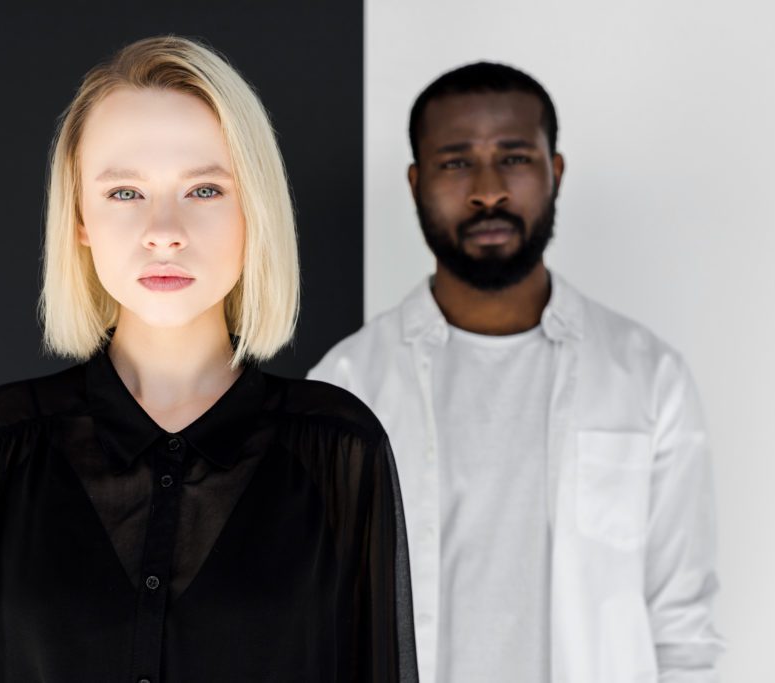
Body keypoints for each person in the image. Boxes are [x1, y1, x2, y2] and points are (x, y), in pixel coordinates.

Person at [0, 36, 417, 683]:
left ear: (253, 210)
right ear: (79, 217)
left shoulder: (339, 450)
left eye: (205, 190)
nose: (164, 229)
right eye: (125, 192)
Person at [309, 62, 723, 682]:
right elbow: (315, 618)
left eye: (514, 158)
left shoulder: (647, 377)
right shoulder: (347, 387)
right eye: (455, 162)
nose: (488, 191)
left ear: (554, 171)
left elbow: (682, 628)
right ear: (417, 182)